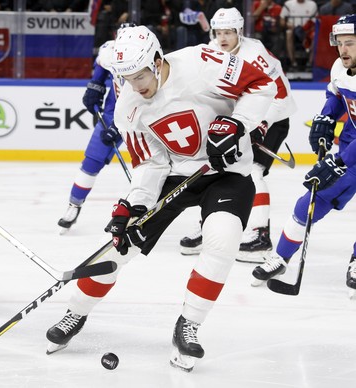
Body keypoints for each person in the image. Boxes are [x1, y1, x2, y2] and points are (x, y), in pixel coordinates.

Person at [45, 25, 276, 372]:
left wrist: (236, 123)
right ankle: (75, 312)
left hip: (228, 173)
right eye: (124, 79)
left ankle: (189, 325)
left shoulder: (201, 62)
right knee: (120, 245)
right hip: (176, 175)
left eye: (139, 76)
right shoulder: (128, 107)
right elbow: (151, 162)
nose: (134, 87)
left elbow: (262, 84)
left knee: (223, 240)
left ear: (157, 61)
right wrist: (134, 204)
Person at [179, 8, 297, 264]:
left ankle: (259, 236)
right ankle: (209, 227)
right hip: (241, 118)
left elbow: (281, 98)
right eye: (218, 32)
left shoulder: (256, 55)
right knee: (215, 171)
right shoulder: (210, 51)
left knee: (252, 171)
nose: (222, 38)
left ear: (240, 32)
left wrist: (260, 124)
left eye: (228, 32)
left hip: (273, 116)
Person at [251, 14, 356, 296]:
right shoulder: (339, 67)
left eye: (350, 43)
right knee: (312, 197)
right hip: (351, 142)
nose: (343, 50)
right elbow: (336, 96)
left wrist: (340, 161)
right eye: (340, 43)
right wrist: (325, 118)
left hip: (351, 151)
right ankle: (281, 257)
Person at [57, 32, 126, 232]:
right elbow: (100, 75)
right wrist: (94, 90)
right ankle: (74, 205)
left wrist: (121, 126)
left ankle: (141, 211)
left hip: (143, 118)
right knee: (91, 162)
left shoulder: (147, 59)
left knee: (147, 166)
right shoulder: (109, 52)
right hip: (113, 114)